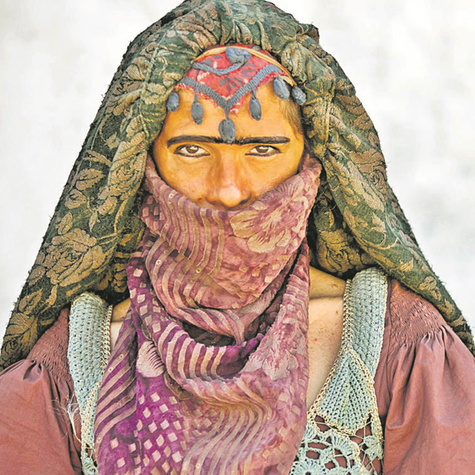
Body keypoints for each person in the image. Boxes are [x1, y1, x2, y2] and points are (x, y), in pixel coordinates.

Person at [1, 1, 475, 474]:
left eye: (264, 149)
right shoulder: (69, 366)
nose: (228, 188)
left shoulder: (396, 345)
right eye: (191, 149)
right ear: (142, 166)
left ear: (313, 165)